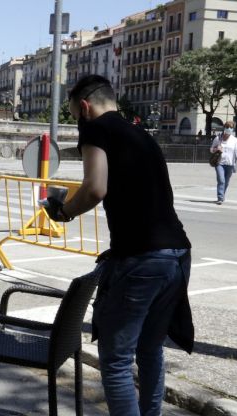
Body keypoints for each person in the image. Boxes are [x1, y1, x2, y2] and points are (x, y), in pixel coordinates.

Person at [45, 75, 193, 416]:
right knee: (150, 349)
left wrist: (64, 211)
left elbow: (95, 188)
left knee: (115, 361)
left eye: (75, 114)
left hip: (142, 259)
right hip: (176, 253)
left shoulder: (95, 128)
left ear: (84, 107)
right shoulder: (142, 134)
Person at [209, 121, 237, 205]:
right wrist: (216, 149)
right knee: (221, 180)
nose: (229, 129)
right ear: (224, 128)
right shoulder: (218, 138)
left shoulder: (235, 140)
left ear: (233, 129)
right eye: (227, 127)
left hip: (230, 164)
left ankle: (222, 195)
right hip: (219, 163)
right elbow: (211, 149)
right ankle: (220, 197)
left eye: (231, 127)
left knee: (226, 182)